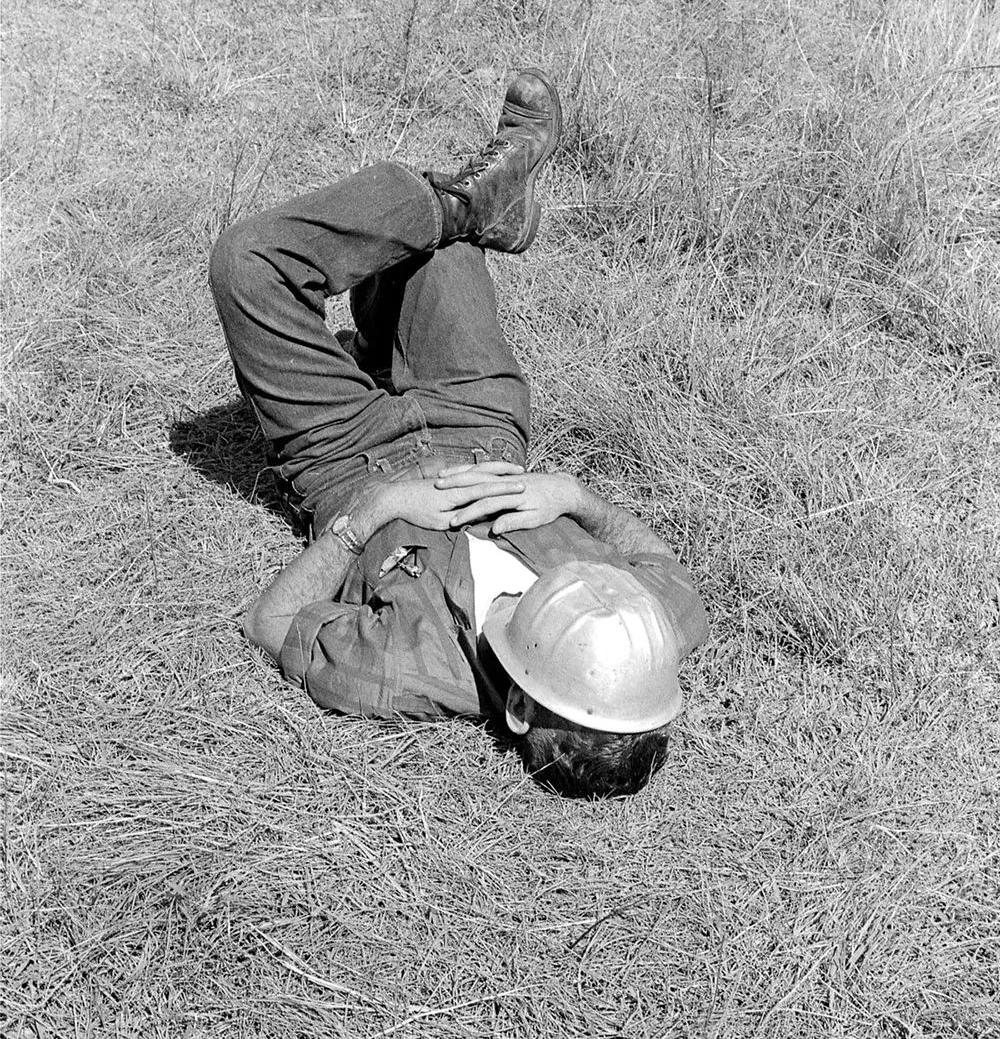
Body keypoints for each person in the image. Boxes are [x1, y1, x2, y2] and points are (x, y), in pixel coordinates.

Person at [209, 69, 709, 798]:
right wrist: (571, 496)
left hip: (346, 461)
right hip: (476, 418)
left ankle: (464, 205)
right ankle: (459, 216)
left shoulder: (402, 670)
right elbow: (663, 566)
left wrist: (371, 517)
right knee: (434, 254)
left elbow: (271, 622)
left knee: (247, 261)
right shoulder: (641, 642)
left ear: (514, 705)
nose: (584, 597)